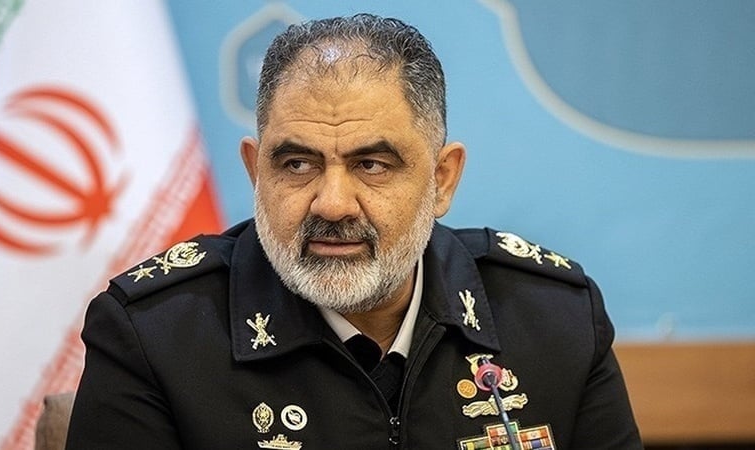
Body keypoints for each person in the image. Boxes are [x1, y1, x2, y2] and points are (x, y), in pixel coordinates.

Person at [65, 13, 642, 449]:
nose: (334, 204)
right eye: (297, 164)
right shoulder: (154, 334)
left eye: (372, 164)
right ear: (256, 173)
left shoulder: (557, 320)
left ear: (442, 179)